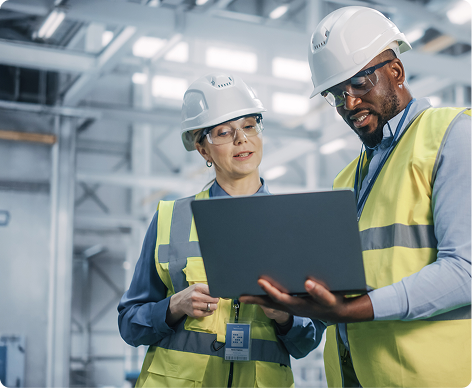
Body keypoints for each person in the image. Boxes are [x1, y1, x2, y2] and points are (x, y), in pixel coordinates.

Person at [240, 6, 472, 388]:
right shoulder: (347, 178)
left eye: (360, 84)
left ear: (395, 72)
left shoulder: (451, 135)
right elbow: (346, 288)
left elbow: (464, 270)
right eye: (336, 94)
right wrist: (295, 305)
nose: (349, 104)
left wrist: (355, 309)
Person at [118, 73, 324, 388]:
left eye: (250, 126)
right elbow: (129, 324)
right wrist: (173, 307)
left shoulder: (294, 224)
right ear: (203, 150)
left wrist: (284, 316)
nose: (241, 139)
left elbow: (307, 340)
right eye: (224, 132)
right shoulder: (171, 219)